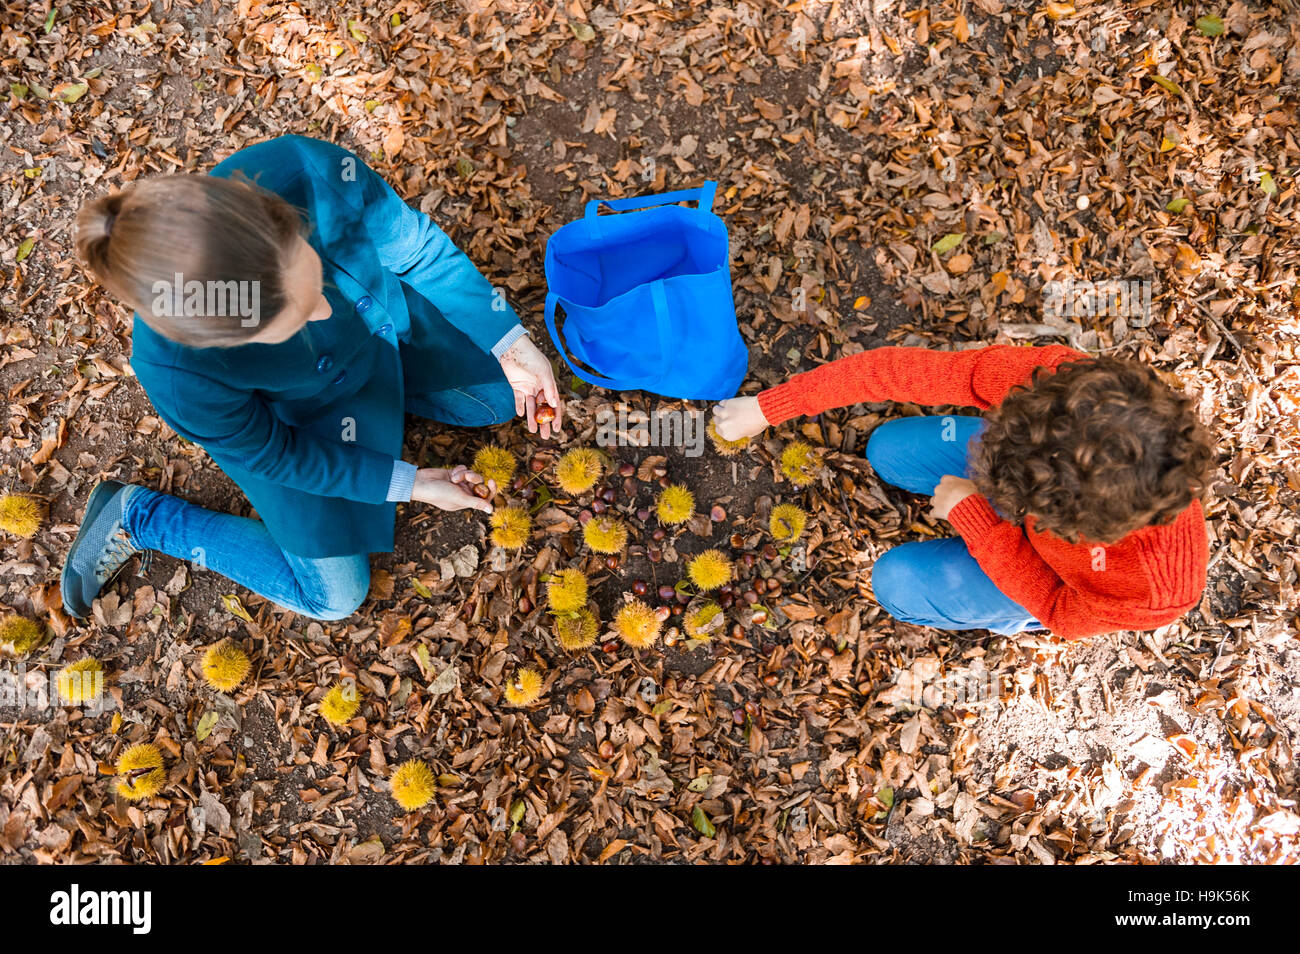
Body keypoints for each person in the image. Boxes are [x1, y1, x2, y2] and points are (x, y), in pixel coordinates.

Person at [65, 134, 561, 621]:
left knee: (497, 398)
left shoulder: (308, 169)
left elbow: (416, 250)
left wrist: (510, 343)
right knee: (335, 598)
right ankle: (139, 517)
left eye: (314, 279)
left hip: (383, 337)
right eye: (300, 318)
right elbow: (273, 453)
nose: (325, 308)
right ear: (229, 341)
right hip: (298, 420)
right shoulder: (176, 374)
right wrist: (409, 482)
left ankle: (384, 403)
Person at [712, 345, 1213, 639]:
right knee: (889, 448)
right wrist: (771, 407)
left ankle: (1008, 619)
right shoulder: (1061, 386)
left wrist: (978, 520)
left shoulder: (1153, 591)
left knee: (896, 581)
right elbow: (899, 371)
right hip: (1036, 460)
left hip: (1051, 577)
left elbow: (1062, 612)